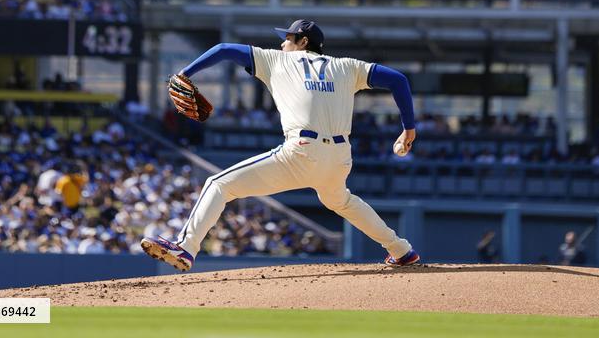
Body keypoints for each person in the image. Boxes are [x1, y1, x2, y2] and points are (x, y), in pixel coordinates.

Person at [141, 18, 421, 271]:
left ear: (303, 42)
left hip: (301, 151)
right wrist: (408, 129)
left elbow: (225, 48)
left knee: (219, 184)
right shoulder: (347, 66)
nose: (282, 42)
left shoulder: (277, 60)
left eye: (288, 38)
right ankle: (400, 249)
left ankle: (186, 247)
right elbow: (398, 80)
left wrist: (185, 73)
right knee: (341, 200)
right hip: (339, 157)